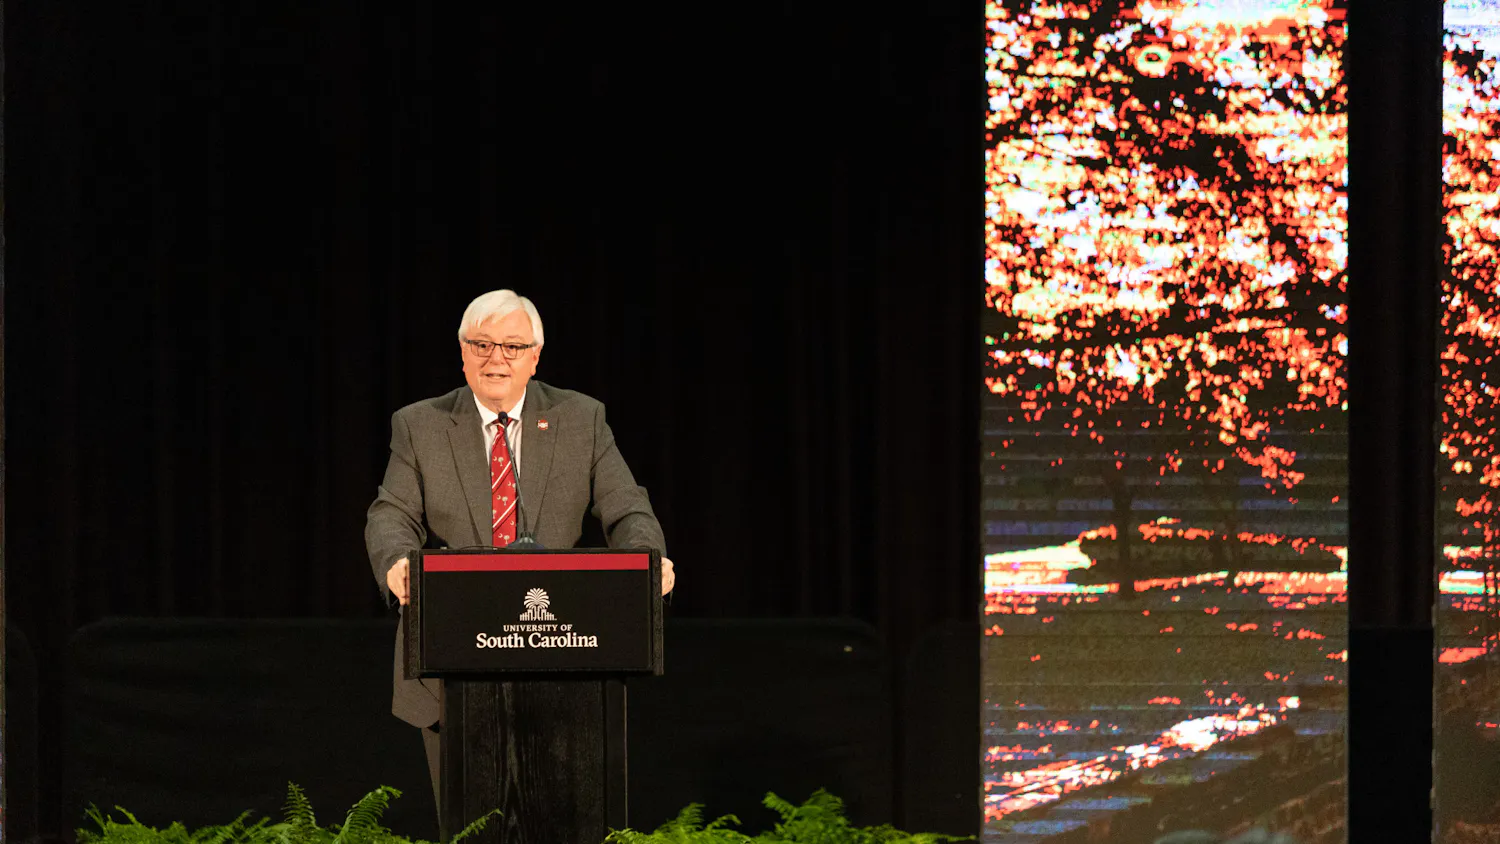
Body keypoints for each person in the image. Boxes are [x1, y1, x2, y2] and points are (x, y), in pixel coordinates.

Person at [364, 288, 675, 807]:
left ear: (535, 357)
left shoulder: (581, 419)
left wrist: (647, 557)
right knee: (469, 822)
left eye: (512, 347)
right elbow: (391, 511)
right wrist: (398, 564)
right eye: (482, 344)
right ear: (462, 352)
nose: (495, 359)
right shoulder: (419, 424)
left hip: (567, 653)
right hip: (454, 656)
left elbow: (626, 506)